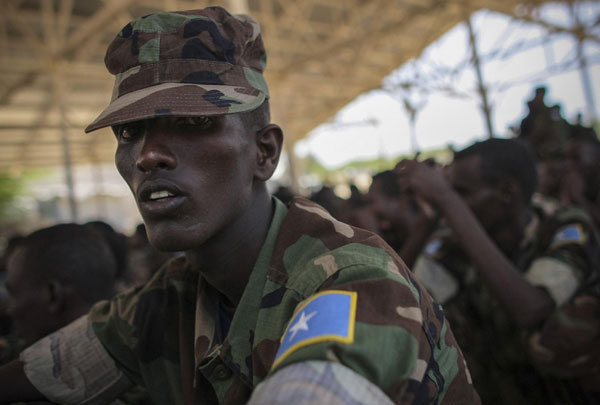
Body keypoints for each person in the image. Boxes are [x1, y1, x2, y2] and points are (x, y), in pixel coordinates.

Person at [0, 7, 478, 404]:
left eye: (191, 121)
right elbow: (34, 377)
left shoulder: (348, 277)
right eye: (129, 132)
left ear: (264, 152)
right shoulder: (170, 298)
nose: (147, 155)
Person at [396, 138, 600, 403]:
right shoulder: (454, 244)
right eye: (453, 193)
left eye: (463, 192)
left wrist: (448, 199)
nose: (455, 205)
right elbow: (398, 299)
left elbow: (532, 308)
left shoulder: (563, 225)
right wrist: (426, 221)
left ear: (506, 192)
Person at [1, 224, 117, 361]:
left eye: (14, 294)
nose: (9, 310)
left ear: (53, 295)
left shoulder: (41, 372)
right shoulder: (132, 350)